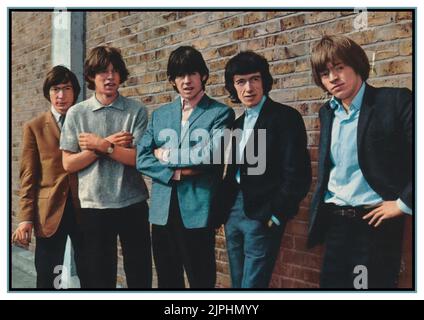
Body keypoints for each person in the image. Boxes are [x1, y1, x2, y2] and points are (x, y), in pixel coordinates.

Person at [307, 35, 412, 289]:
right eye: (325, 73)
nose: (333, 78)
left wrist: (406, 202)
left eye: (339, 67)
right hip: (335, 223)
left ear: (357, 65)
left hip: (373, 225)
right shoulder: (327, 112)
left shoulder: (393, 101)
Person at [136, 46, 235, 288]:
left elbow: (210, 155)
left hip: (198, 211)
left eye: (192, 73)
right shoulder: (160, 115)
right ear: (172, 80)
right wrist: (176, 173)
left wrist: (166, 154)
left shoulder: (220, 113)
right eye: (180, 75)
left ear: (203, 75)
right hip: (162, 213)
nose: (186, 81)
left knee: (201, 279)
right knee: (168, 281)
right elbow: (141, 157)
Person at [214, 51, 311, 288]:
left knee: (252, 286)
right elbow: (229, 172)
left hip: (264, 213)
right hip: (234, 212)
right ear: (233, 87)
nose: (248, 87)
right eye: (240, 81)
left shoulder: (285, 117)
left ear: (264, 81)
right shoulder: (236, 125)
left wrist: (277, 214)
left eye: (254, 79)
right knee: (238, 282)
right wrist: (223, 212)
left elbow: (297, 174)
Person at [60, 46, 151, 289]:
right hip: (94, 205)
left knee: (140, 274)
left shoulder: (136, 111)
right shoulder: (76, 114)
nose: (109, 77)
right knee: (100, 279)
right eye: (102, 72)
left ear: (121, 75)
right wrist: (110, 144)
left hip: (132, 201)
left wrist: (101, 144)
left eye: (114, 71)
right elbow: (68, 163)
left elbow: (139, 159)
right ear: (91, 76)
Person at [13, 65, 85, 289]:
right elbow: (28, 176)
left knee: (90, 269)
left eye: (67, 88)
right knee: (48, 275)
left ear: (75, 92)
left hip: (84, 207)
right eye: (56, 89)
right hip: (49, 211)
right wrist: (25, 218)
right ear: (48, 93)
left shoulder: (86, 120)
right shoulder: (34, 127)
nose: (61, 95)